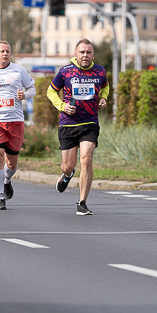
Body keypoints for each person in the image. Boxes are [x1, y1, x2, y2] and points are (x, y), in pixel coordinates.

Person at [46, 39, 109, 216]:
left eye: (88, 52)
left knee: (87, 159)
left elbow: (105, 87)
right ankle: (67, 175)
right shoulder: (66, 72)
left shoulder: (100, 71)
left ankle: (82, 203)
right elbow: (51, 91)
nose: (85, 55)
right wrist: (62, 106)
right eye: (82, 52)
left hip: (90, 122)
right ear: (76, 54)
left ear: (93, 55)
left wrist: (103, 98)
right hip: (68, 123)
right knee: (68, 165)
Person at [0, 42, 36, 210]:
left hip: (15, 120)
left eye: (8, 51)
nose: (5, 53)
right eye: (2, 51)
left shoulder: (18, 70)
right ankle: (0, 197)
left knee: (11, 164)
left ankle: (7, 180)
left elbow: (33, 88)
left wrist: (25, 94)